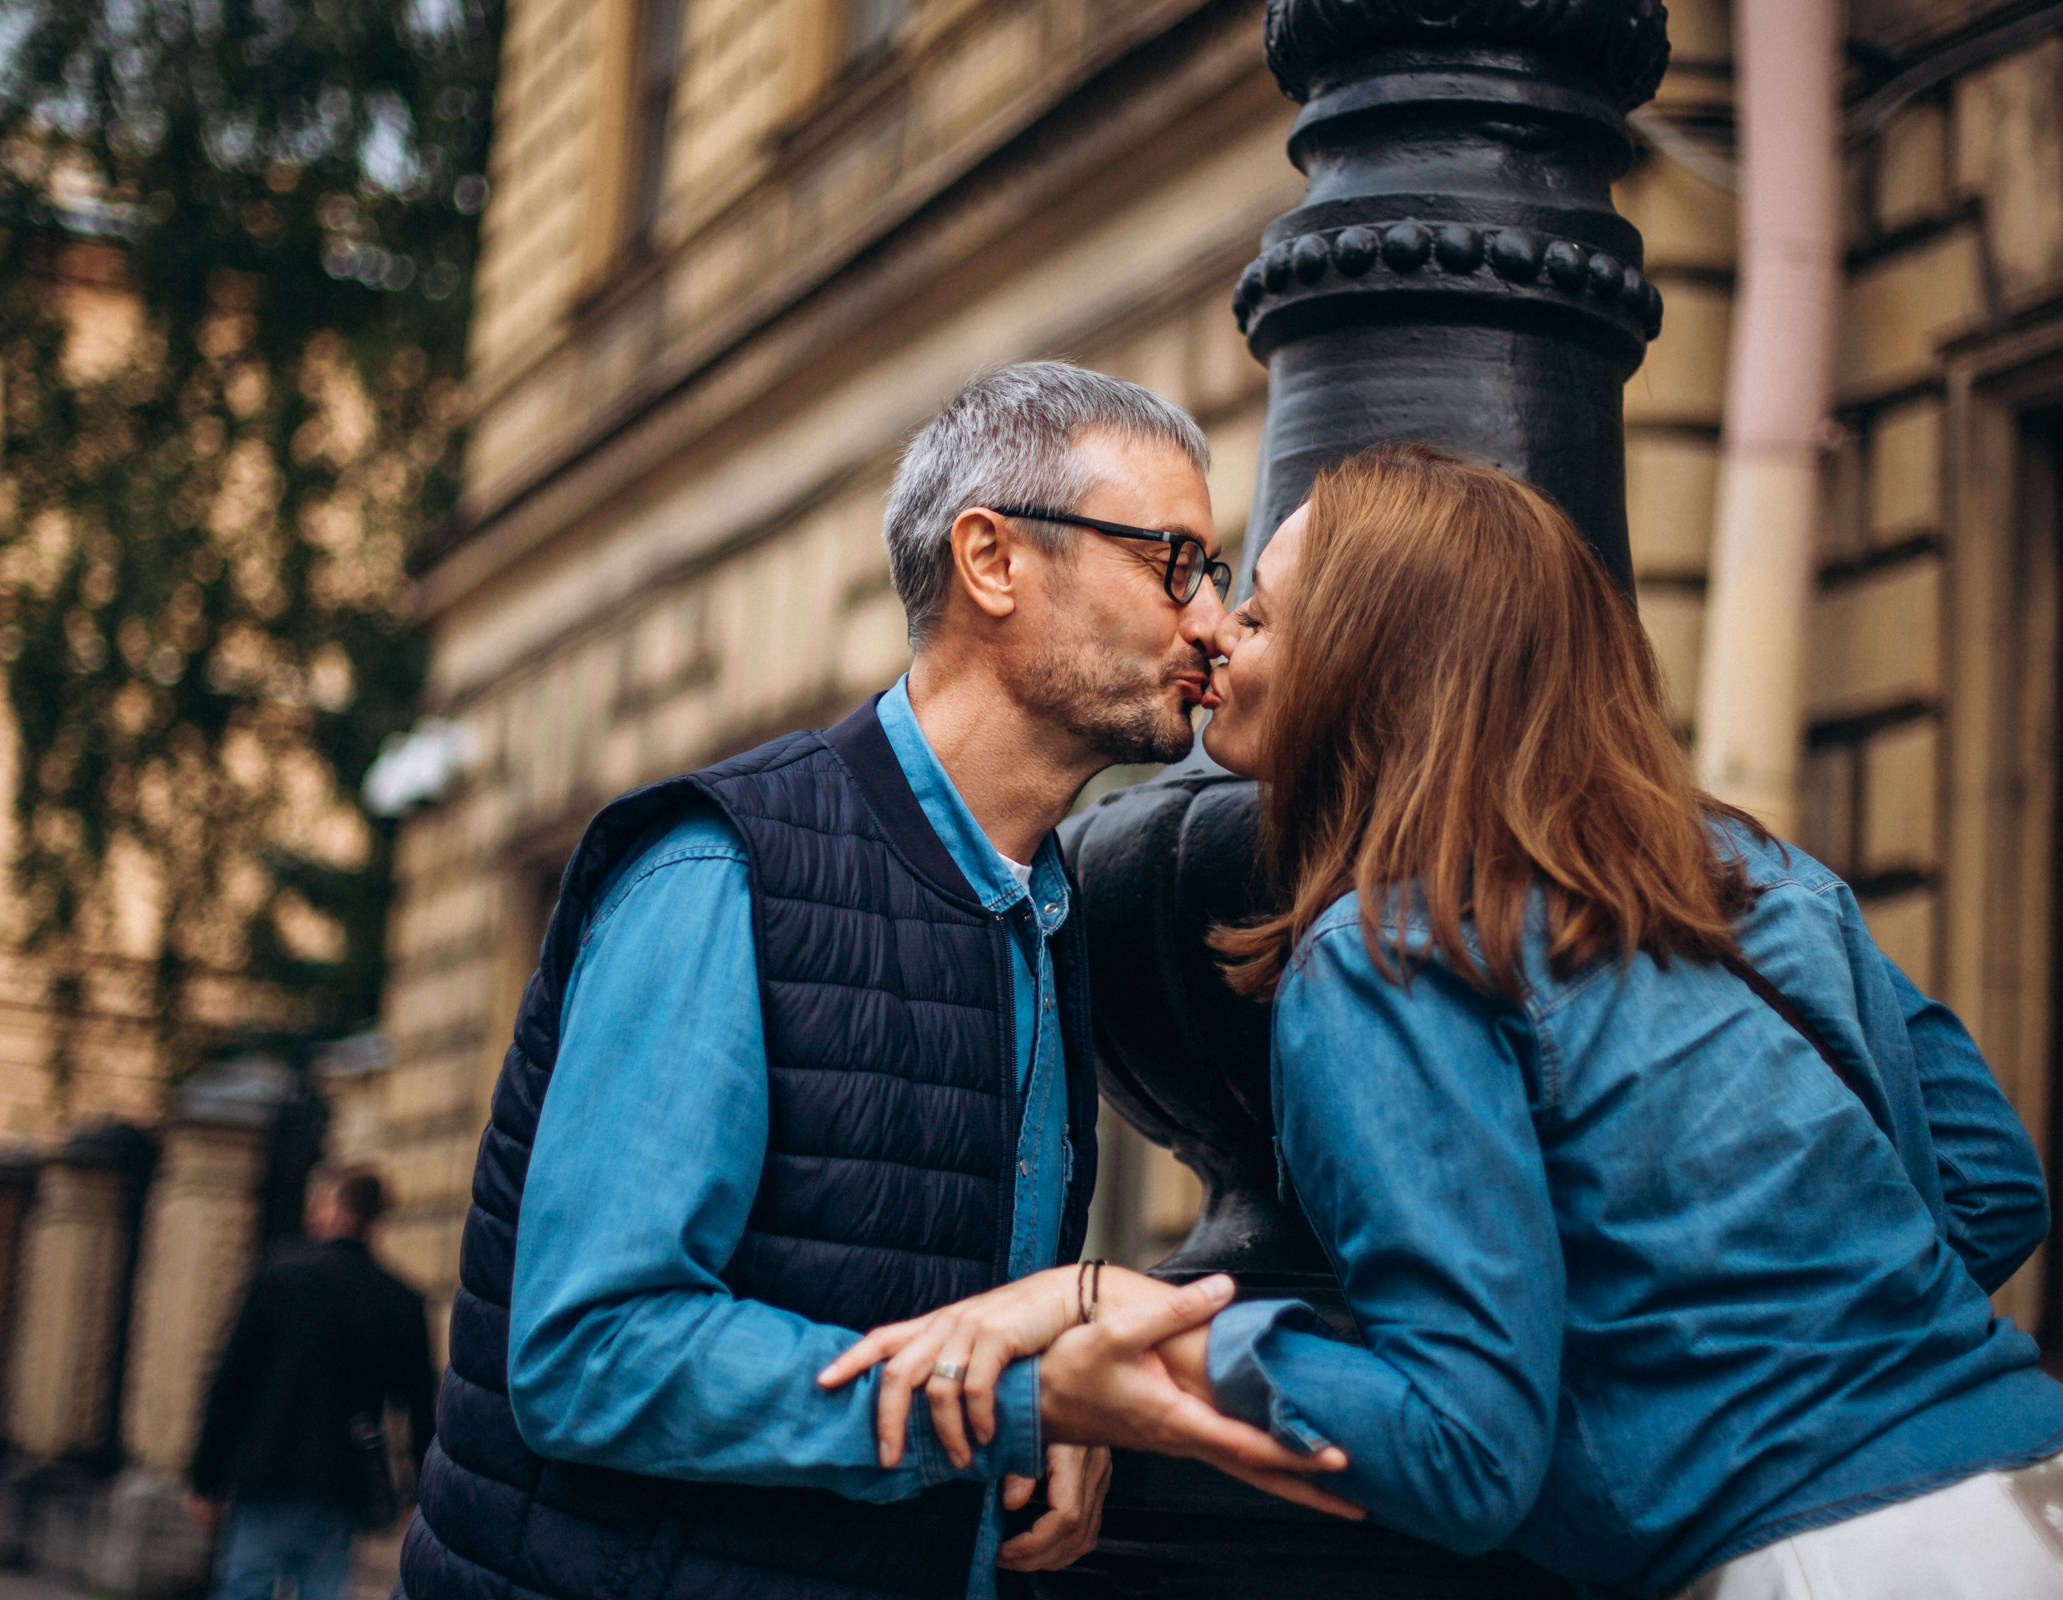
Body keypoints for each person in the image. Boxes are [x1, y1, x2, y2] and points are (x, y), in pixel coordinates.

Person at [861, 445, 2063, 1599]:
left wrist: (1130, 1317)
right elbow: (1986, 1179)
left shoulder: (1388, 949)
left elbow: (1462, 1453)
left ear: (1375, 660)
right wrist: (1780, 1343)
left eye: (1273, 611)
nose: (1220, 629)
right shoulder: (1748, 872)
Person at [397, 362, 1345, 1600]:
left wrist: (1057, 1409)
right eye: (1174, 564)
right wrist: (1017, 1402)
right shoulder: (717, 868)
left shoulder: (1045, 910)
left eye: (1213, 577)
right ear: (993, 561)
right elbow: (592, 1352)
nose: (1213, 623)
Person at [189, 1164, 434, 1600]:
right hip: (342, 1480)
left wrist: (205, 1476)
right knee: (323, 1589)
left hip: (265, 1469)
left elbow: (230, 1381)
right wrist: (418, 1492)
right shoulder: (399, 1298)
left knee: (246, 1586)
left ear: (334, 1209)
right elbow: (418, 1403)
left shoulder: (278, 1278)